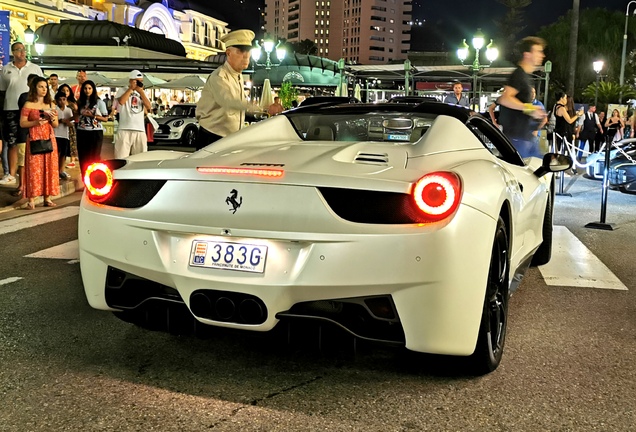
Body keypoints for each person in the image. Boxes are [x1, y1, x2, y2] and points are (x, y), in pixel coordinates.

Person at [195, 29, 263, 149]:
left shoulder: (238, 76)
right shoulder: (219, 76)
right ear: (228, 53)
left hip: (230, 139)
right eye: (241, 51)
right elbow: (228, 101)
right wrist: (256, 107)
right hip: (212, 138)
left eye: (248, 51)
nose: (246, 56)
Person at [0, 42, 43, 186]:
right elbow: (2, 91)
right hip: (10, 109)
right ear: (13, 52)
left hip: (29, 109)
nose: (22, 52)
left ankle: (27, 179)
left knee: (26, 144)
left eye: (23, 50)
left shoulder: (35, 68)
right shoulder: (6, 69)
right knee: (12, 142)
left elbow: (43, 89)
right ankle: (11, 174)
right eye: (18, 50)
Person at [497, 37, 547, 159]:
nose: (543, 55)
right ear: (527, 55)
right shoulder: (518, 75)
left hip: (525, 137)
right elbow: (505, 99)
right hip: (517, 139)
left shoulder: (525, 77)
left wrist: (535, 113)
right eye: (538, 51)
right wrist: (531, 109)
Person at [19, 76, 59, 209]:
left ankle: (47, 197)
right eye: (40, 87)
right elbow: (22, 123)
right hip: (34, 137)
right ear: (34, 88)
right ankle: (31, 199)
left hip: (48, 136)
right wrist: (36, 122)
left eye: (45, 87)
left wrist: (52, 118)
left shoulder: (51, 104)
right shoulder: (28, 104)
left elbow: (56, 125)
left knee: (49, 167)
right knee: (34, 168)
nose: (44, 89)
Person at [113, 69, 152, 158]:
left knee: (141, 158)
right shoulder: (122, 90)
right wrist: (131, 88)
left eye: (141, 81)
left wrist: (141, 91)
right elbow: (121, 101)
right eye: (137, 81)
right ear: (131, 80)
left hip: (140, 129)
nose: (139, 83)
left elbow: (149, 106)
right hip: (124, 128)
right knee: (121, 157)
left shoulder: (143, 92)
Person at [75, 80, 109, 178]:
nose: (87, 91)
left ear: (93, 90)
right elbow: (77, 115)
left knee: (94, 157)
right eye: (85, 88)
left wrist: (93, 116)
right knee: (83, 157)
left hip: (95, 132)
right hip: (82, 131)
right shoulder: (80, 102)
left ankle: (94, 178)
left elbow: (105, 118)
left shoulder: (99, 102)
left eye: (89, 88)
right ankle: (85, 178)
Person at [57, 83, 79, 169]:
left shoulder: (71, 105)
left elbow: (73, 120)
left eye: (67, 90)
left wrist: (67, 121)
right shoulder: (54, 107)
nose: (65, 92)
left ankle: (63, 167)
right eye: (63, 91)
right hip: (56, 132)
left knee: (65, 150)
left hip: (67, 131)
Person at [53, 91, 73, 181]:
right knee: (56, 154)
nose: (62, 101)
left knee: (63, 154)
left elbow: (72, 124)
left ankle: (61, 170)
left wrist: (67, 122)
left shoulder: (68, 110)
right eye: (60, 100)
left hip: (65, 135)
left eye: (63, 99)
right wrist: (60, 121)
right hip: (55, 134)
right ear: (57, 101)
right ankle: (55, 171)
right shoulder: (54, 109)